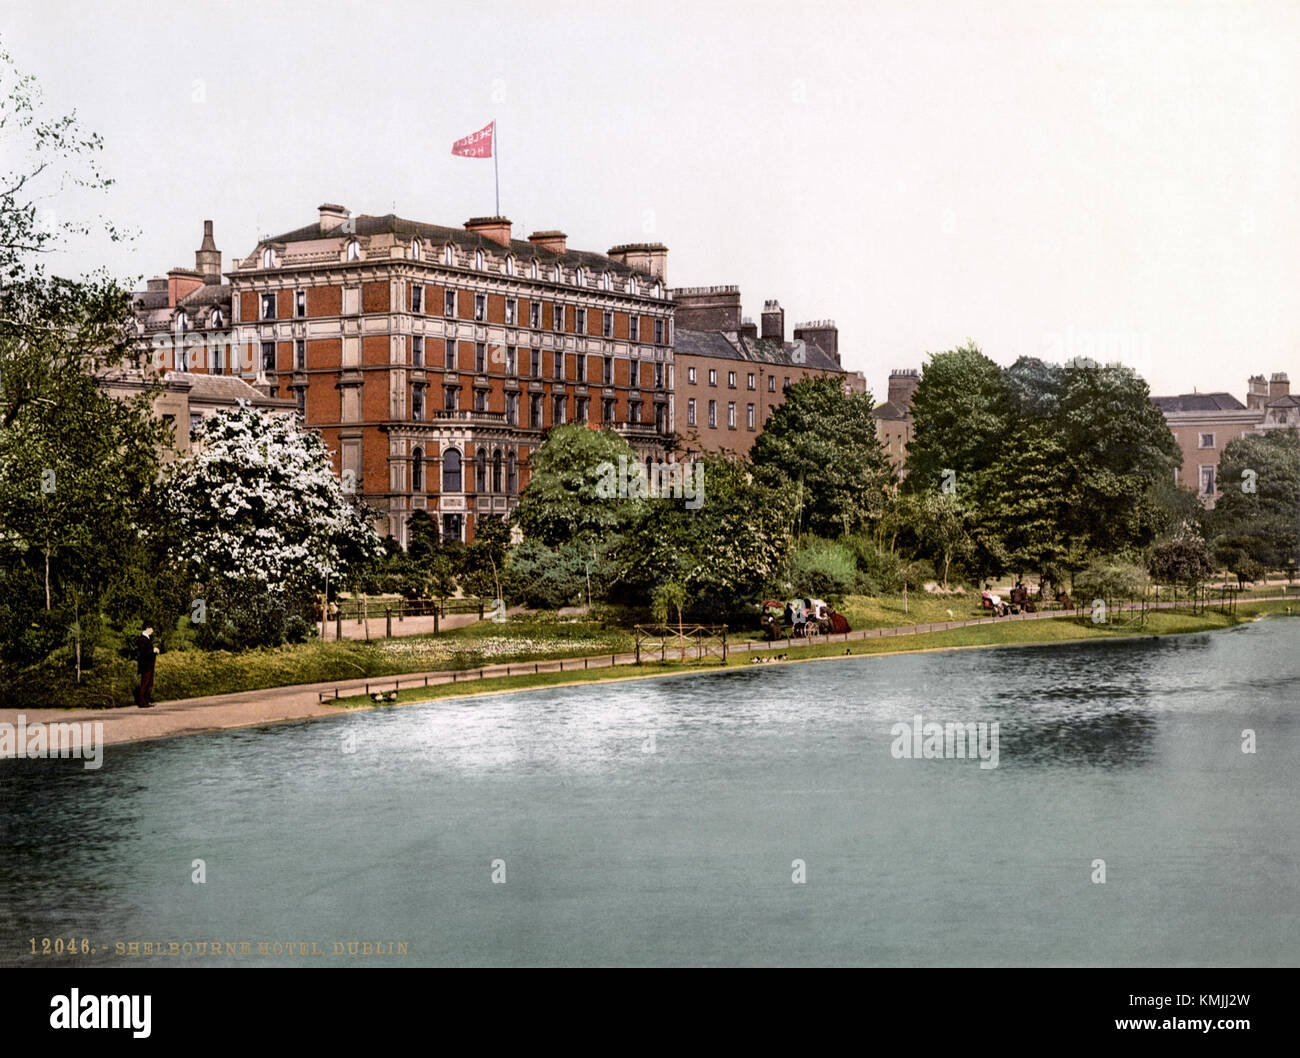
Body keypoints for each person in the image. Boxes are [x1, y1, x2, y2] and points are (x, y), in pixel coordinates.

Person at [136, 626, 159, 708]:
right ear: (147, 628)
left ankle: (146, 700)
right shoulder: (142, 639)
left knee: (149, 683)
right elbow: (143, 652)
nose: (152, 631)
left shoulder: (148, 638)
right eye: (151, 629)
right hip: (145, 665)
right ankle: (142, 702)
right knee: (145, 683)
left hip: (150, 665)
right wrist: (153, 650)